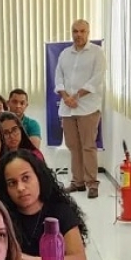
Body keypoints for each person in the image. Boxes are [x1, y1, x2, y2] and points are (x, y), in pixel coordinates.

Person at [0, 150, 88, 260]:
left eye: (26, 178)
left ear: (39, 177)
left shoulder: (60, 209)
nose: (20, 188)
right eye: (12, 183)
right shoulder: (1, 216)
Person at [54, 19, 107, 198]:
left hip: (88, 108)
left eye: (82, 31)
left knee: (88, 146)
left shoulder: (97, 53)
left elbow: (96, 79)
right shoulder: (64, 54)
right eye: (75, 31)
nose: (78, 35)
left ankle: (92, 183)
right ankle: (78, 182)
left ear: (88, 32)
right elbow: (58, 77)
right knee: (73, 146)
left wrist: (76, 96)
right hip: (67, 108)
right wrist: (65, 97)